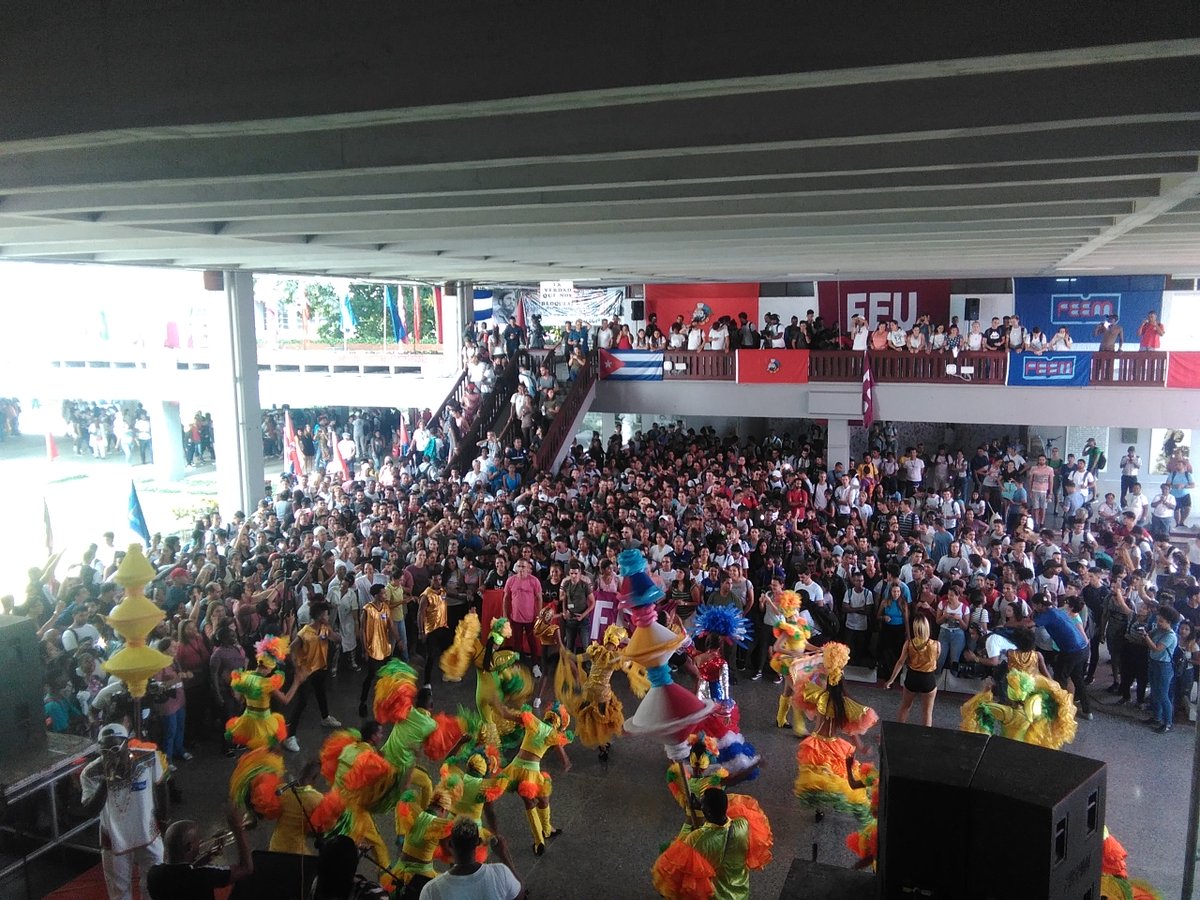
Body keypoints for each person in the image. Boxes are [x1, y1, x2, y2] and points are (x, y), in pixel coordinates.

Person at [80, 723, 167, 900]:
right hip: (113, 839)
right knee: (119, 892)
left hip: (147, 832)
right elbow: (90, 810)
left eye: (114, 748)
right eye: (104, 750)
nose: (110, 754)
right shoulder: (90, 773)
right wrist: (106, 781)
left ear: (127, 743)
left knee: (155, 884)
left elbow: (161, 783)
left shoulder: (147, 758)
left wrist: (164, 816)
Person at [651, 787, 773, 900]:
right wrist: (702, 808)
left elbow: (679, 858)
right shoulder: (743, 824)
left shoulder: (697, 839)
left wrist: (692, 816)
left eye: (702, 804)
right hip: (740, 892)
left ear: (707, 811)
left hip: (717, 896)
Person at [146, 806, 253, 900]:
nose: (201, 842)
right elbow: (246, 868)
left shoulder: (153, 874)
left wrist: (206, 858)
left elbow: (182, 874)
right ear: (189, 847)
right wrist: (238, 830)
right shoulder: (204, 875)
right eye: (198, 840)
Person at [225, 635, 309, 751]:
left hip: (247, 721)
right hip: (264, 723)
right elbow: (286, 700)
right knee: (269, 750)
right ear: (268, 667)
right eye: (271, 669)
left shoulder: (244, 677)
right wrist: (297, 682)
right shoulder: (266, 684)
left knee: (253, 749)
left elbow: (239, 699)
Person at [419, 817, 522, 900]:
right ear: (479, 842)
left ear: (450, 844)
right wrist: (503, 855)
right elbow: (520, 895)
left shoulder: (431, 890)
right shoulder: (500, 873)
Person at [1030, 593, 1093, 721]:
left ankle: (1060, 711)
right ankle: (1088, 711)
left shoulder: (1049, 615)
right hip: (1081, 649)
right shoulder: (1056, 611)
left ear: (1039, 605)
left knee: (1060, 679)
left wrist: (1009, 626)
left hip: (1070, 651)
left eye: (1034, 605)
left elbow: (1029, 623)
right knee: (1078, 679)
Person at [288, 602, 342, 746]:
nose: (328, 616)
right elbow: (291, 650)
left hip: (320, 668)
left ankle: (325, 717)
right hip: (305, 671)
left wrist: (336, 636)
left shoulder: (325, 628)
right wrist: (297, 669)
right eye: (326, 614)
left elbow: (335, 638)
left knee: (321, 693)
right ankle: (289, 736)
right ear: (319, 616)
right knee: (302, 702)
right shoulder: (304, 633)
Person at [885, 616, 940, 726]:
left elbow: (900, 662)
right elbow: (935, 659)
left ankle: (899, 730)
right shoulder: (936, 644)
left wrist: (891, 680)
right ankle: (925, 736)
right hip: (928, 678)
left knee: (905, 707)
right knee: (927, 712)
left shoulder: (909, 644)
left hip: (912, 677)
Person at [359, 583, 399, 718]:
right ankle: (363, 702)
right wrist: (364, 649)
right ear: (376, 595)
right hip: (372, 649)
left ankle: (386, 702)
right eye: (383, 593)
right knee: (370, 676)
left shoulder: (385, 608)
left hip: (385, 647)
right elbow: (363, 631)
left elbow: (391, 625)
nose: (385, 595)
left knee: (388, 675)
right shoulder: (367, 610)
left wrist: (398, 640)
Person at [1143, 605, 1181, 733]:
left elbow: (1156, 648)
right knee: (1155, 691)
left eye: (1161, 621)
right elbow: (1151, 635)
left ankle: (1168, 723)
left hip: (1164, 666)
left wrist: (1146, 636)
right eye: (1158, 620)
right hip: (1154, 662)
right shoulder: (1159, 630)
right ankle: (1157, 717)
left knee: (1163, 694)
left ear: (1169, 622)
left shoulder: (1171, 636)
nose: (1158, 623)